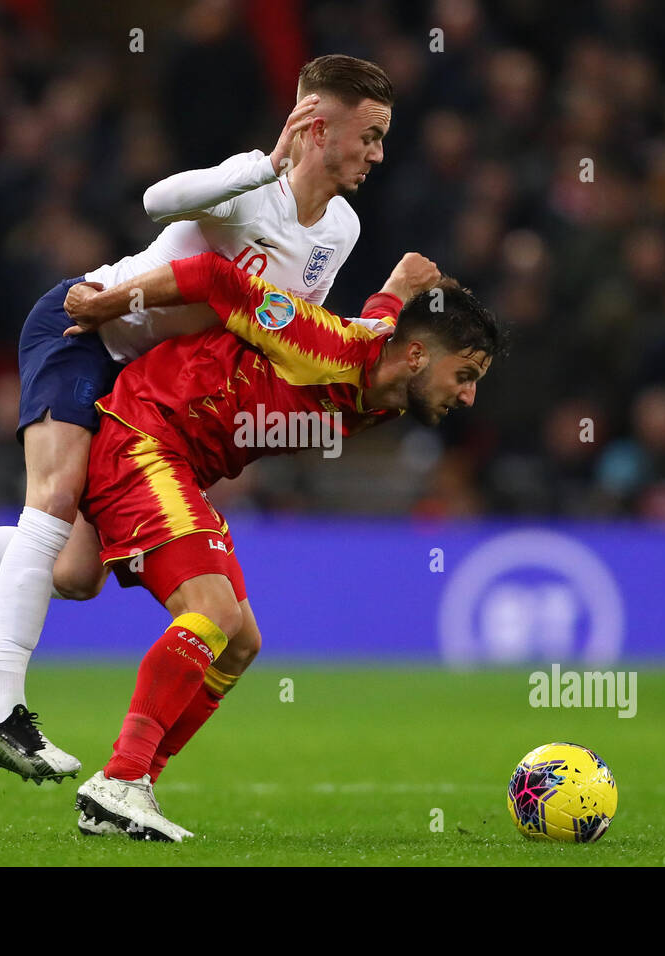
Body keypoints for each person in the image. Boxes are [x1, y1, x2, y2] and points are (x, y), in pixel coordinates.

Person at [0, 56, 396, 785]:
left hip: (146, 392)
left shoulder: (344, 229)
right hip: (85, 332)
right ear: (318, 127)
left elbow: (267, 323)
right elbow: (159, 198)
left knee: (73, 574)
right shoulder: (249, 188)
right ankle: (3, 716)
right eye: (371, 134)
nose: (378, 154)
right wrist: (265, 163)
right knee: (53, 499)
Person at [58, 250, 505, 840]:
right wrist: (103, 304)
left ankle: (134, 785)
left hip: (181, 465)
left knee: (240, 644)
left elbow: (380, 324)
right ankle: (118, 780)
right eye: (465, 377)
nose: (468, 397)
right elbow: (216, 278)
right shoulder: (328, 344)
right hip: (145, 434)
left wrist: (396, 288)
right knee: (211, 614)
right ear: (419, 356)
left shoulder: (389, 381)